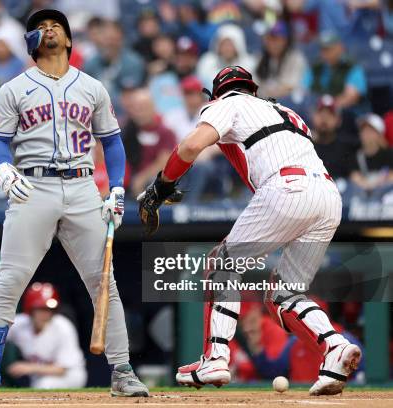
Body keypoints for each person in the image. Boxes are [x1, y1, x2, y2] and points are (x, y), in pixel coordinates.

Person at [138, 66, 362, 396]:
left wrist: (162, 184)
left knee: (220, 265)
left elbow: (190, 147)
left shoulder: (228, 101)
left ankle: (215, 357)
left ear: (218, 93)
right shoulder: (286, 110)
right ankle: (335, 347)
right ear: (252, 88)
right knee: (285, 293)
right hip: (328, 196)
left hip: (286, 187)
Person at [0, 9, 149, 398]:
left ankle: (122, 370)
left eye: (56, 26)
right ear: (31, 43)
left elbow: (112, 142)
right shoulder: (14, 88)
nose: (49, 30)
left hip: (84, 186)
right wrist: (2, 169)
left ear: (68, 39)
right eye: (40, 27)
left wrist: (116, 188)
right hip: (32, 185)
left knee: (105, 283)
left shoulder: (93, 87)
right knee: (11, 280)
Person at [0, 282, 87, 389]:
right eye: (41, 309)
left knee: (44, 386)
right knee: (41, 386)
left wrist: (28, 367)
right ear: (30, 310)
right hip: (40, 377)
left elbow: (62, 369)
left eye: (49, 309)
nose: (45, 314)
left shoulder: (62, 327)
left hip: (69, 376)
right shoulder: (21, 323)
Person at [121, 88, 176, 197]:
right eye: (135, 107)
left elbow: (163, 163)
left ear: (153, 108)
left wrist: (141, 178)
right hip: (127, 178)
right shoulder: (126, 130)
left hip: (152, 180)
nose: (138, 111)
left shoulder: (165, 132)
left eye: (143, 107)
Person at [302, 31, 367, 111]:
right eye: (323, 49)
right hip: (316, 113)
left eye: (329, 49)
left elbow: (351, 97)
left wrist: (328, 108)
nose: (325, 53)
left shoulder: (351, 67)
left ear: (340, 47)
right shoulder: (315, 68)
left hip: (343, 115)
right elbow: (304, 92)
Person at [253, 21, 308, 100]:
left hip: (290, 103)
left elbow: (290, 87)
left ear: (285, 41)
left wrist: (265, 93)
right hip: (265, 102)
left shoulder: (295, 58)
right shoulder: (260, 58)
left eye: (276, 39)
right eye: (269, 39)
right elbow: (254, 84)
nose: (271, 43)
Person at [196, 24, 256, 92]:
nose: (227, 49)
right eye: (224, 44)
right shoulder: (207, 63)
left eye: (230, 44)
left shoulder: (249, 64)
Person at [348, 113, 393, 200]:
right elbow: (354, 177)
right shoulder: (355, 156)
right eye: (363, 131)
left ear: (379, 134)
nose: (366, 134)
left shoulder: (389, 154)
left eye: (370, 131)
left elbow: (391, 177)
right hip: (363, 199)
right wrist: (370, 185)